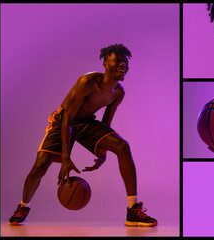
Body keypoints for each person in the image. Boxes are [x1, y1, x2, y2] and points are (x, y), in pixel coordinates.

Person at [9, 44, 157, 227]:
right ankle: (23, 207)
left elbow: (105, 125)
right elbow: (68, 118)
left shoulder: (118, 93)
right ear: (105, 63)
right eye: (117, 61)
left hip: (87, 123)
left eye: (125, 62)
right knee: (40, 165)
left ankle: (133, 210)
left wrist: (102, 152)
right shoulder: (87, 82)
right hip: (63, 121)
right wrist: (65, 158)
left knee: (122, 146)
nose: (122, 65)